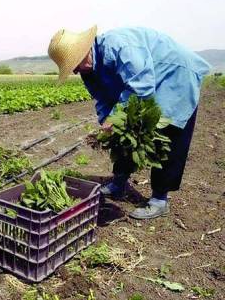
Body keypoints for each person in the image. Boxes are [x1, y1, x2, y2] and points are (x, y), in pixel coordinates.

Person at [48, 26, 211, 219]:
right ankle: (119, 182)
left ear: (85, 51)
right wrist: (106, 121)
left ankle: (160, 199)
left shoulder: (119, 46)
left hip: (175, 75)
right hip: (147, 80)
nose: (75, 71)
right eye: (71, 68)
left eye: (74, 64)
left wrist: (115, 116)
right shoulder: (88, 70)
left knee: (167, 134)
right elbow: (102, 99)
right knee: (124, 131)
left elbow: (141, 87)